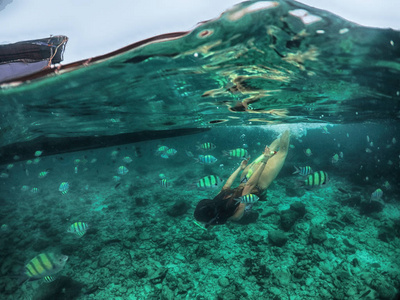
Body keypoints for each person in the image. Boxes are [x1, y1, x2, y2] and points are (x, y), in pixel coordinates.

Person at [194, 130, 290, 228]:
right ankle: (285, 133)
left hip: (259, 182)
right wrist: (240, 168)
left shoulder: (234, 217)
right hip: (245, 175)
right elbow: (227, 185)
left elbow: (249, 187)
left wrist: (264, 161)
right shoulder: (216, 200)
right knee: (270, 149)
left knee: (282, 152)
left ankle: (287, 129)